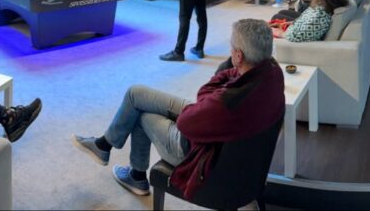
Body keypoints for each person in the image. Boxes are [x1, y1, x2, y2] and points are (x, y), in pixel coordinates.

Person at [72, 19, 284, 198]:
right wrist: (232, 71)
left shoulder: (227, 102)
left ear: (238, 56)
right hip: (217, 129)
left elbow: (187, 121)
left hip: (197, 148)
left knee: (142, 115)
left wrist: (221, 78)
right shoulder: (272, 73)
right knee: (135, 93)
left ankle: (136, 176)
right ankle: (104, 144)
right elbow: (219, 92)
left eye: (231, 48)